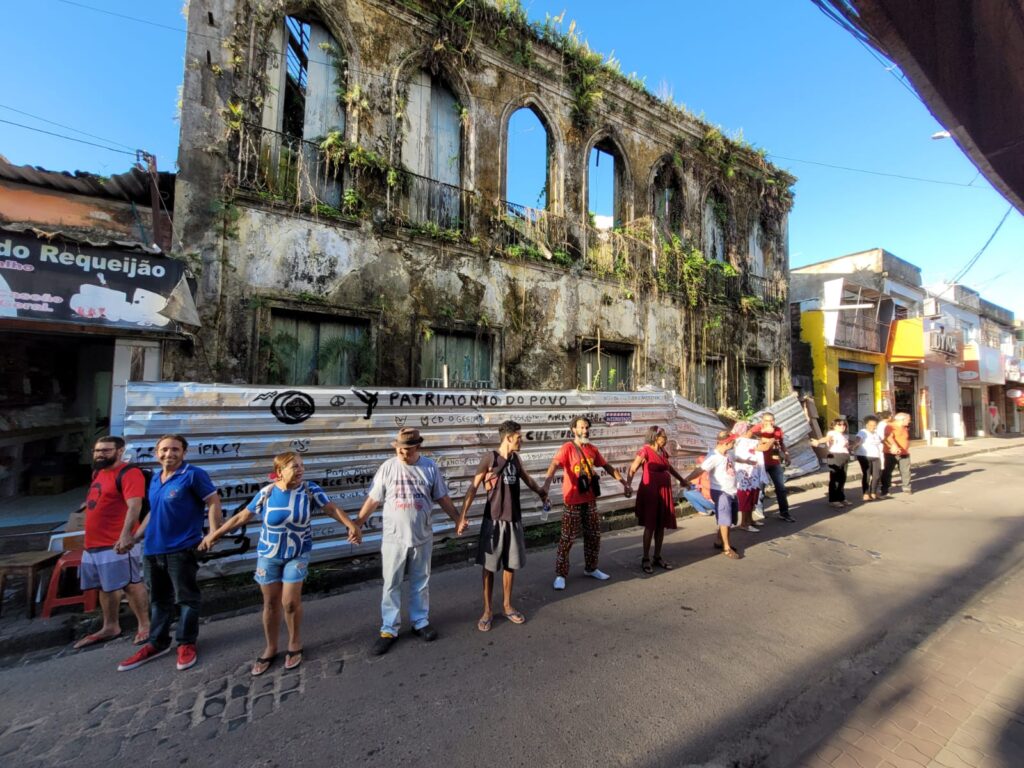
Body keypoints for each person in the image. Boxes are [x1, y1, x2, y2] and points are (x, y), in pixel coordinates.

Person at [199, 452, 362, 675]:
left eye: (302, 466)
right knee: (270, 604)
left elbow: (331, 508)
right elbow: (241, 518)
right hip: (268, 555)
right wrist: (215, 534)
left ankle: (294, 643)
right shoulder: (267, 493)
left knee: (290, 602)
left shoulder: (309, 490)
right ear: (279, 472)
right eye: (294, 466)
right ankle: (271, 647)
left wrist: (350, 525)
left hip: (298, 553)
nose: (300, 470)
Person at [117, 434, 222, 672]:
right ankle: (158, 642)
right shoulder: (155, 479)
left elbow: (214, 501)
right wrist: (134, 537)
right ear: (156, 453)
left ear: (184, 452)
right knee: (158, 600)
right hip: (153, 550)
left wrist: (213, 533)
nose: (169, 454)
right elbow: (153, 513)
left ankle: (186, 643)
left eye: (175, 449)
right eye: (164, 450)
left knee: (186, 599)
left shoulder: (193, 475)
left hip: (182, 549)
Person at [355, 427, 464, 656]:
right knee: (391, 584)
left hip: (421, 535)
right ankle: (389, 629)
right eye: (399, 449)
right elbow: (373, 499)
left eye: (406, 450)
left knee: (420, 581)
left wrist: (457, 519)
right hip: (394, 538)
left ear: (418, 447)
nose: (402, 453)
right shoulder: (388, 467)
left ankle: (420, 622)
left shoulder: (429, 467)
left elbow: (442, 497)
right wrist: (358, 524)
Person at [458, 421, 547, 631]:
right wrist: (462, 516)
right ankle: (487, 611)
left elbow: (528, 480)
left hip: (513, 519)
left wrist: (542, 494)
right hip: (493, 521)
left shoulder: (516, 459)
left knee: (510, 565)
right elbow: (473, 488)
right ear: (508, 437)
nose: (521, 440)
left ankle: (507, 606)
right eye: (518, 437)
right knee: (489, 567)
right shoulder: (490, 458)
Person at [72, 436, 151, 649]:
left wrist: (126, 535)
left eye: (106, 451)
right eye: (97, 451)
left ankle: (145, 625)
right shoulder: (98, 472)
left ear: (119, 451)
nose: (100, 454)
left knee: (131, 584)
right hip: (93, 543)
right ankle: (110, 625)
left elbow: (134, 506)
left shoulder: (129, 473)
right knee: (105, 587)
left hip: (116, 543)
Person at [541, 416, 632, 590]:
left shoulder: (592, 449)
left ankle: (591, 568)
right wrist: (546, 485)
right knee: (567, 538)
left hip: (590, 500)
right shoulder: (567, 448)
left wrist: (624, 483)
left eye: (587, 427)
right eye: (582, 428)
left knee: (594, 536)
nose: (585, 430)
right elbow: (554, 465)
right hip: (572, 500)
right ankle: (560, 574)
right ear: (573, 430)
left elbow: (607, 467)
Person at [626, 426, 686, 573]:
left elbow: (669, 468)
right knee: (650, 525)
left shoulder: (663, 452)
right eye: (664, 437)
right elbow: (632, 468)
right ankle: (645, 559)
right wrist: (627, 485)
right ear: (655, 437)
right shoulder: (645, 451)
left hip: (664, 491)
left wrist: (682, 480)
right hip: (651, 492)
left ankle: (657, 557)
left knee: (660, 525)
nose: (666, 440)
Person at [682, 430, 743, 559]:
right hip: (721, 492)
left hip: (731, 490)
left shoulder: (729, 453)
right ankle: (726, 547)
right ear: (726, 443)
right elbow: (700, 469)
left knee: (730, 519)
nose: (734, 444)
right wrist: (686, 480)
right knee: (725, 519)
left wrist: (749, 461)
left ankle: (719, 541)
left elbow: (737, 458)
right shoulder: (714, 457)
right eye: (733, 442)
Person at [751, 412, 794, 522]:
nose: (769, 423)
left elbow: (781, 443)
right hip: (761, 463)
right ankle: (759, 508)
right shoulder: (757, 428)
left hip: (775, 462)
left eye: (771, 420)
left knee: (781, 488)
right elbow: (749, 436)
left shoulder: (778, 430)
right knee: (761, 488)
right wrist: (763, 433)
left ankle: (784, 513)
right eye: (767, 420)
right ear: (762, 421)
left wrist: (787, 455)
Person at [731, 421, 767, 530]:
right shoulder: (740, 441)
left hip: (753, 473)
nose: (750, 431)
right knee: (745, 498)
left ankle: (750, 520)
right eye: (748, 429)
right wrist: (771, 439)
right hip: (744, 474)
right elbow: (764, 447)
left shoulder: (748, 441)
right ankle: (744, 523)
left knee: (752, 497)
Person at [811, 419, 852, 508]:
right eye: (839, 425)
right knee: (835, 479)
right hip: (835, 456)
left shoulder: (844, 436)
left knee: (842, 478)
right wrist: (818, 441)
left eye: (844, 425)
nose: (842, 426)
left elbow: (846, 446)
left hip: (844, 456)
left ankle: (841, 497)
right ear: (834, 426)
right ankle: (833, 500)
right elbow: (827, 439)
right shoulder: (832, 433)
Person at [880, 412, 913, 496]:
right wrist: (894, 445)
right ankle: (885, 490)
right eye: (908, 419)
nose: (909, 421)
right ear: (902, 419)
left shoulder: (904, 427)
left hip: (904, 453)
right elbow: (888, 437)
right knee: (887, 472)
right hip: (891, 453)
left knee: (906, 471)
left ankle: (907, 488)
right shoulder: (890, 426)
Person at [854, 415, 883, 501]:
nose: (873, 427)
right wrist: (854, 446)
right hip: (864, 456)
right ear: (866, 425)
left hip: (876, 456)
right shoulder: (862, 432)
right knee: (866, 475)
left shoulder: (876, 433)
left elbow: (881, 442)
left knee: (877, 475)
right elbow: (858, 440)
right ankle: (866, 493)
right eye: (871, 425)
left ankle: (873, 492)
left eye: (874, 425)